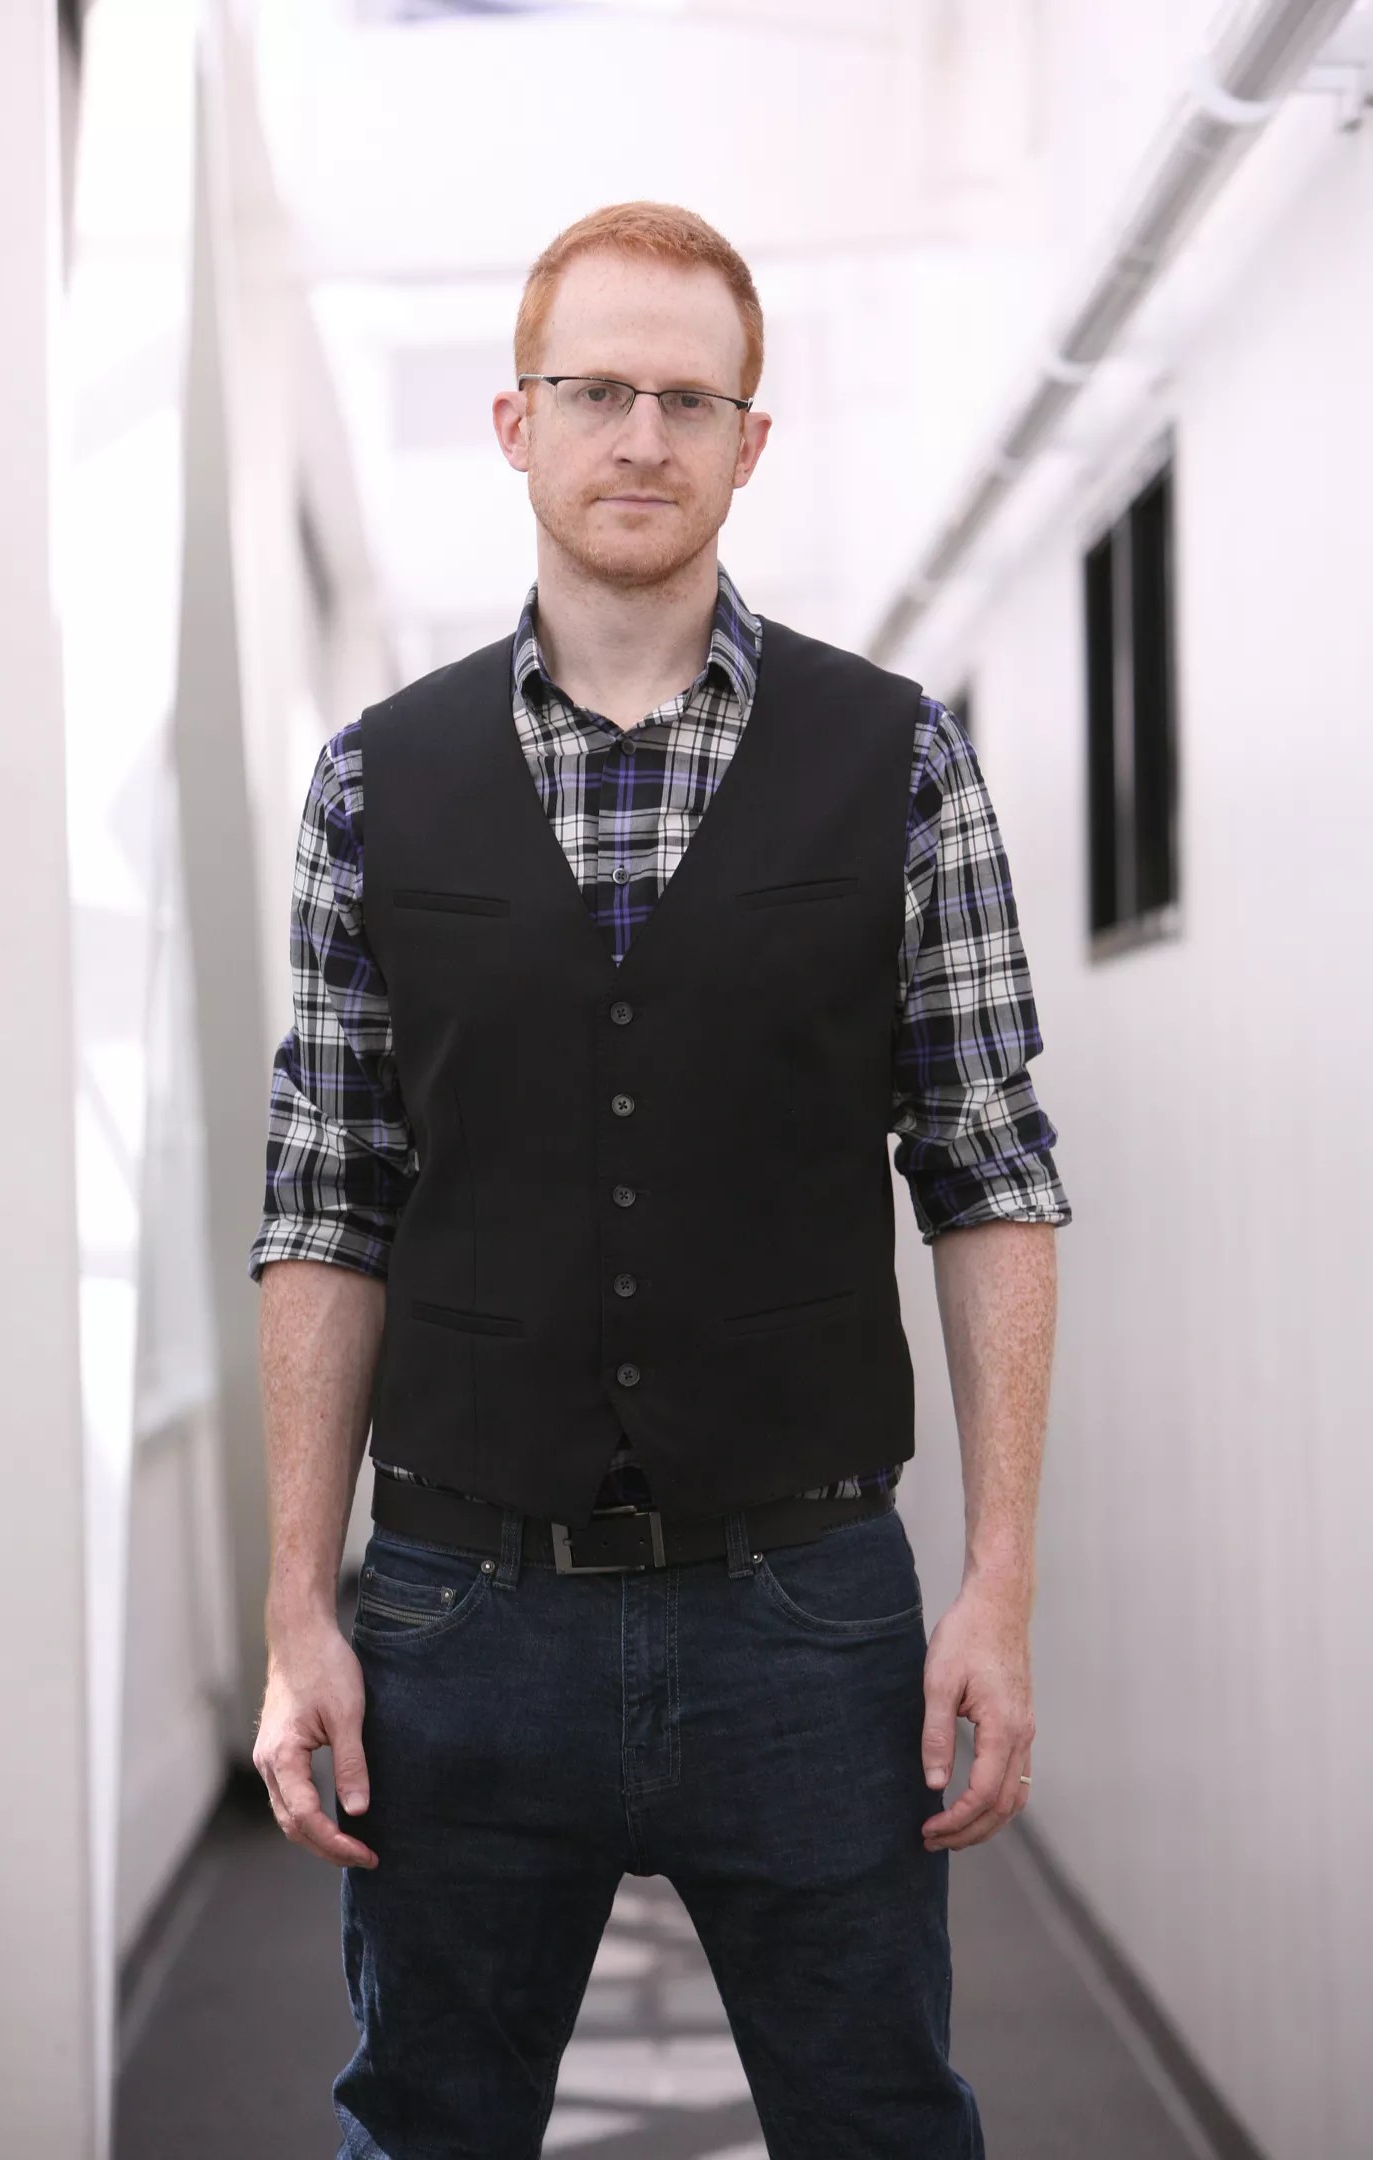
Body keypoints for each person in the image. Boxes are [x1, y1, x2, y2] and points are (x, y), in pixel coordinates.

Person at [249, 199, 1070, 2160]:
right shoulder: (374, 780)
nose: (641, 436)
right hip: (460, 1610)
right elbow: (327, 1201)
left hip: (807, 1607)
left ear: (750, 442)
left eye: (689, 400)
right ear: (515, 423)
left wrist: (1000, 1582)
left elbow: (989, 1175)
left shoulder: (900, 762)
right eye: (596, 391)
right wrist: (296, 1608)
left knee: (882, 2121)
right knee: (425, 2125)